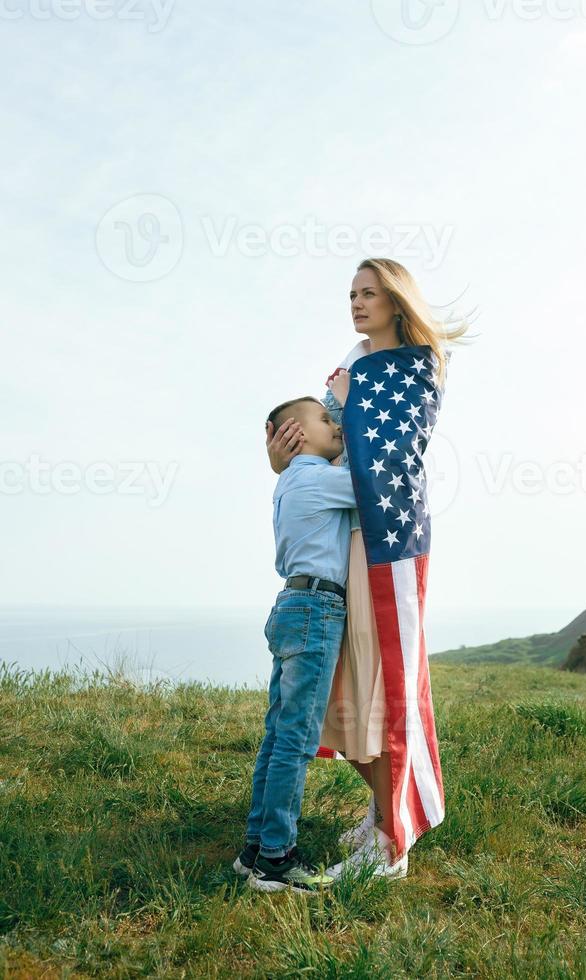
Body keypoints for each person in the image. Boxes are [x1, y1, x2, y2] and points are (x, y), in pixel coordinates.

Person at [266, 257, 469, 881]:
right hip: (341, 541)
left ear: (396, 301)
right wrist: (283, 455)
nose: (356, 304)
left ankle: (392, 838)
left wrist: (350, 406)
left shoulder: (415, 367)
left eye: (369, 294)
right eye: (351, 294)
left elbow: (397, 451)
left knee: (379, 683)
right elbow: (325, 446)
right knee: (346, 686)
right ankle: (383, 811)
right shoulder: (350, 365)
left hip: (385, 545)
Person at [233, 393, 358, 894]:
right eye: (327, 420)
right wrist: (355, 420)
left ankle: (255, 848)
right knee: (296, 741)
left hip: (292, 605)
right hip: (315, 611)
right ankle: (276, 860)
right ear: (299, 435)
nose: (337, 426)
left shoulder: (290, 480)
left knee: (277, 733)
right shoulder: (319, 479)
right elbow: (375, 484)